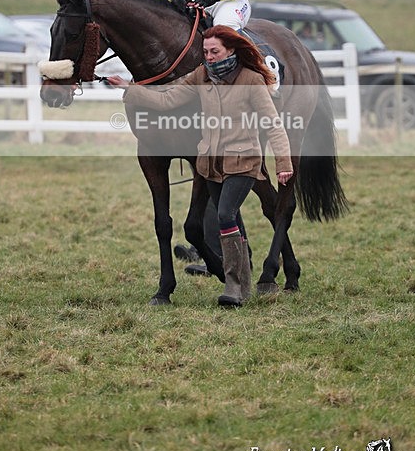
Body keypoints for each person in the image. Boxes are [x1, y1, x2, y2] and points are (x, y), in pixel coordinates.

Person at [108, 26, 293, 308]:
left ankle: (232, 286)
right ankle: (243, 283)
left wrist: (283, 162)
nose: (209, 57)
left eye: (214, 51)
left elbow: (272, 124)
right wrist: (128, 89)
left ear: (230, 50)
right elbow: (166, 100)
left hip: (243, 162)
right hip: (210, 165)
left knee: (225, 215)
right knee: (228, 223)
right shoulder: (201, 76)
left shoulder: (252, 80)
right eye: (205, 52)